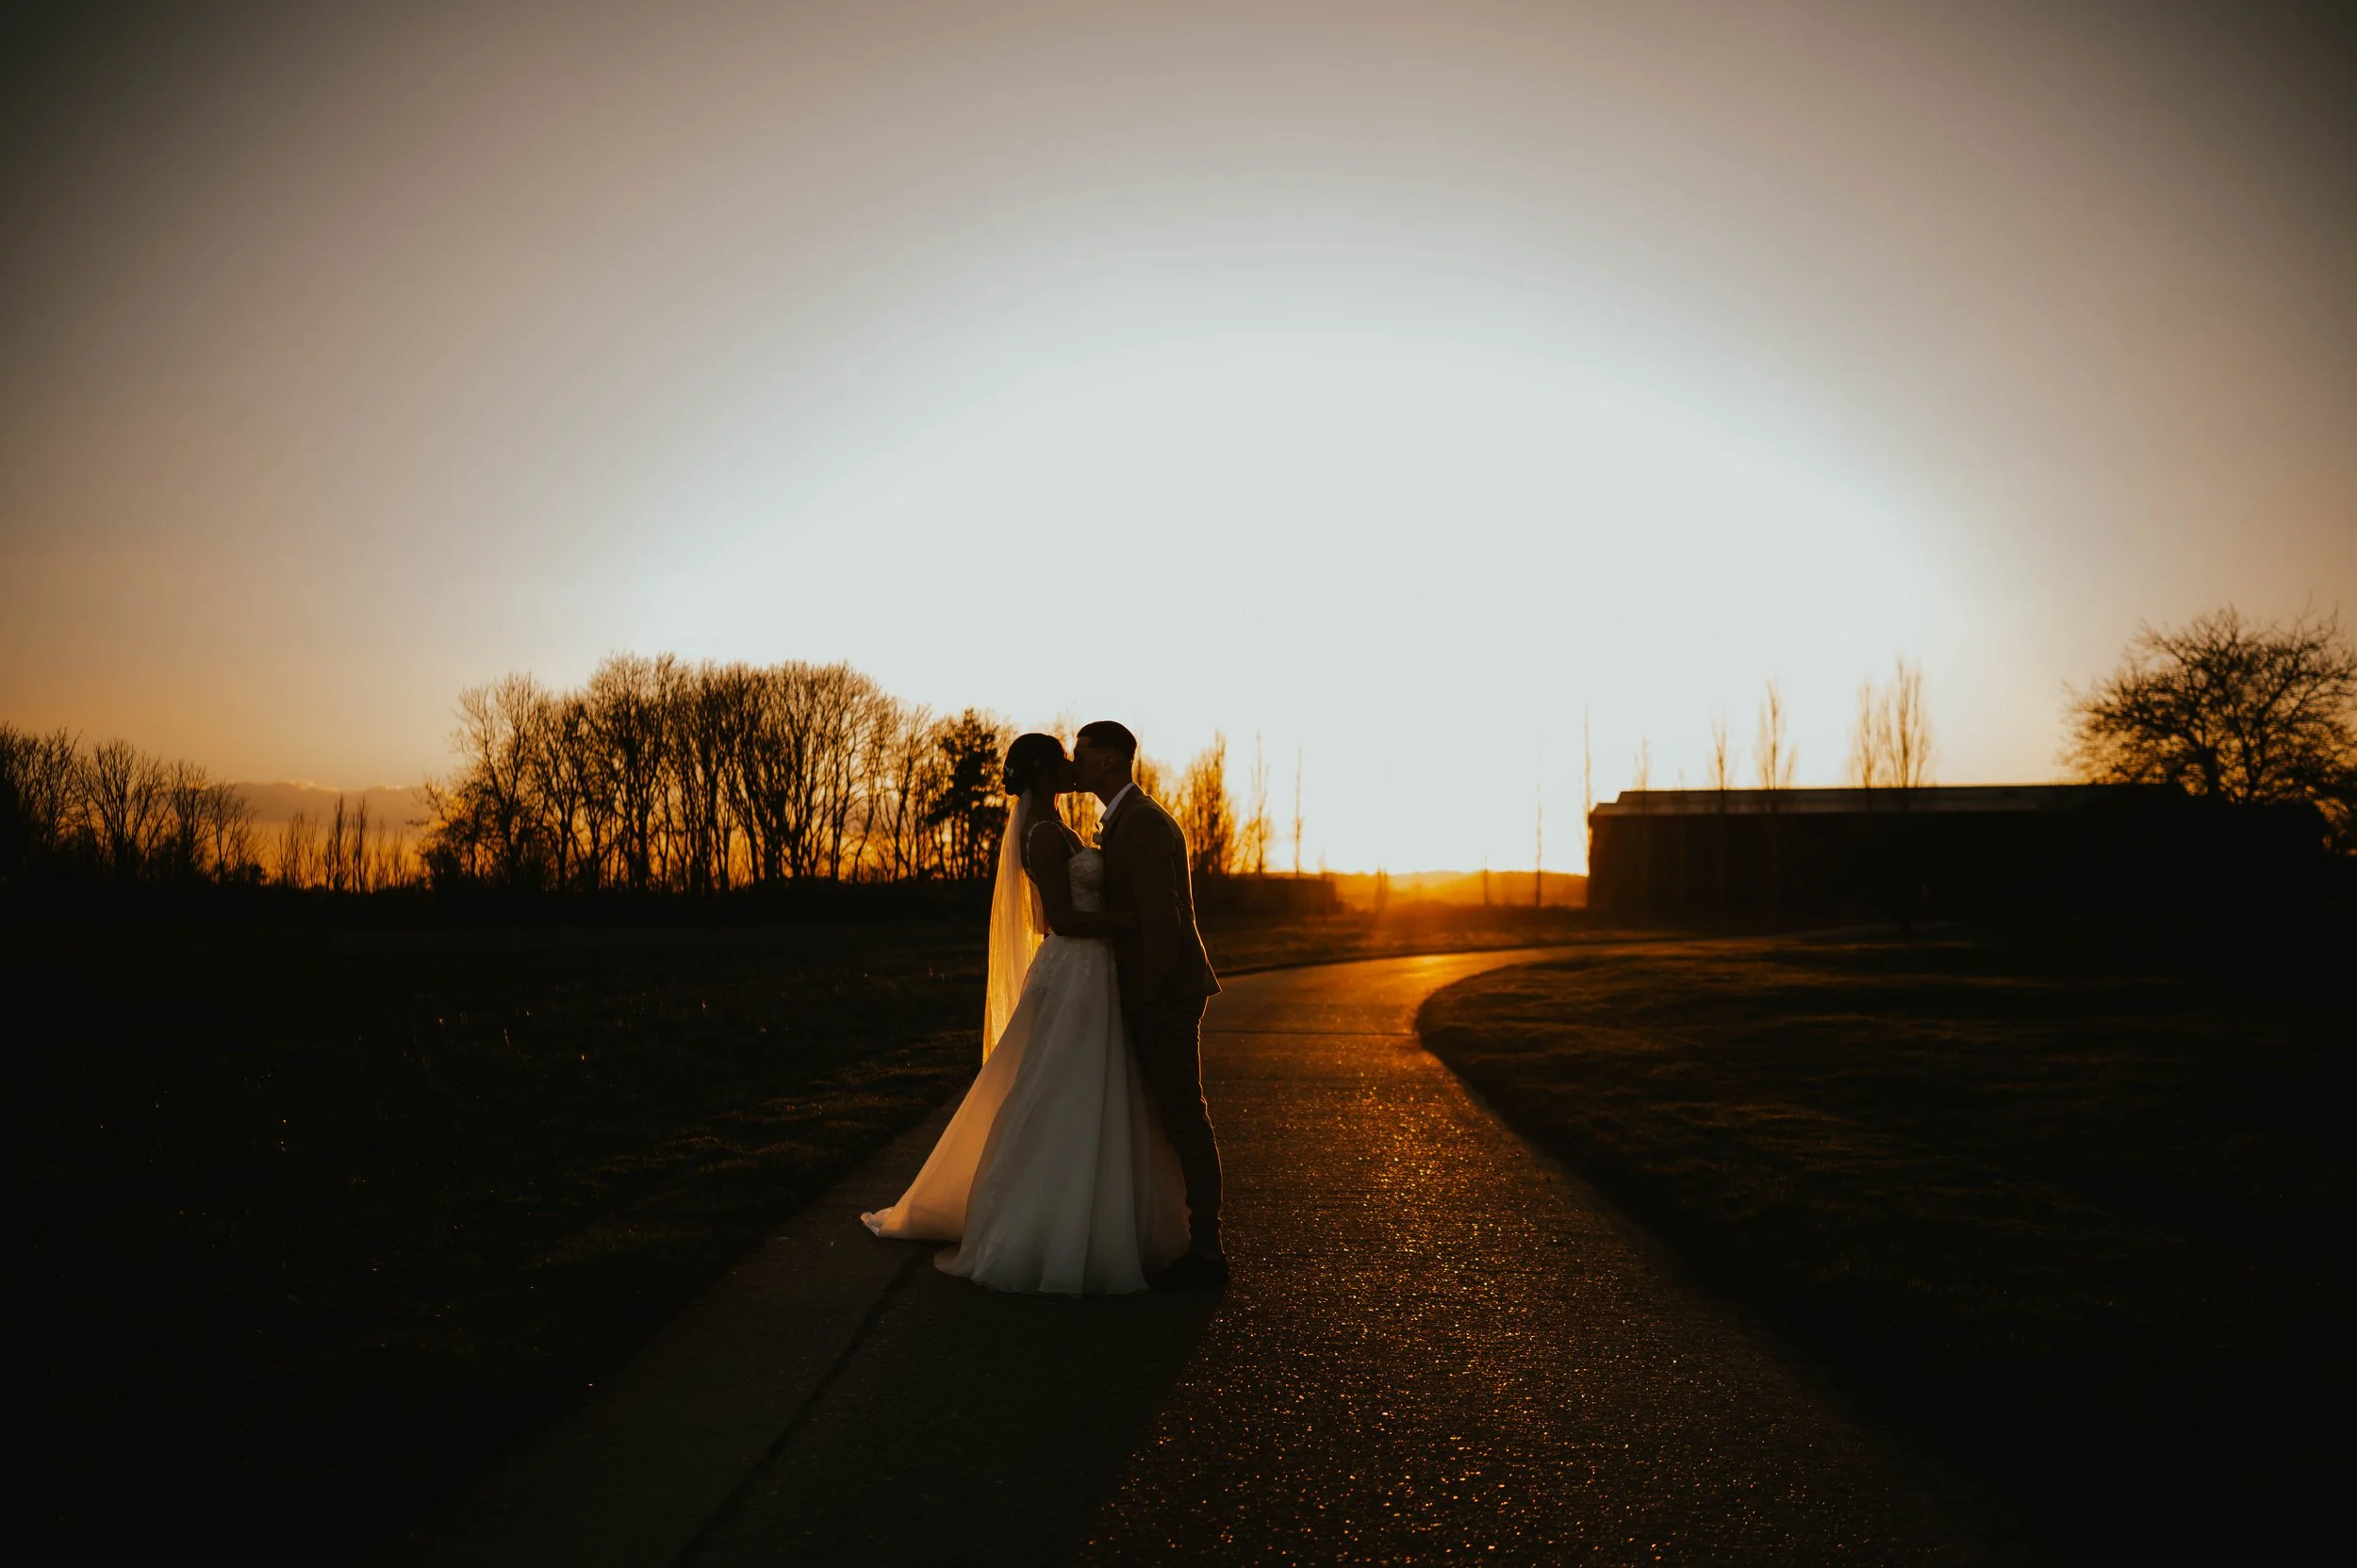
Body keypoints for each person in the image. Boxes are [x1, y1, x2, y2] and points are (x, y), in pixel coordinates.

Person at [860, 732, 1190, 1295]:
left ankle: (1101, 1219)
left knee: (1095, 1090)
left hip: (1094, 972)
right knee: (1062, 1090)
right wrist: (1135, 920)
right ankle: (1043, 1225)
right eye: (1064, 760)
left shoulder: (1061, 827)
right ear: (1043, 772)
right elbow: (1058, 919)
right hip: (1076, 971)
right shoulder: (1040, 834)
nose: (1072, 767)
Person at [1071, 718, 1228, 1291]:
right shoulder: (1123, 820)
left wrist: (1151, 996)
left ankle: (1208, 1250)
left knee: (1184, 1115)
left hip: (1163, 995)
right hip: (1149, 992)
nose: (1075, 762)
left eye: (1082, 752)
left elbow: (1164, 922)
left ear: (1110, 759)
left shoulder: (1141, 823)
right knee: (1168, 1115)